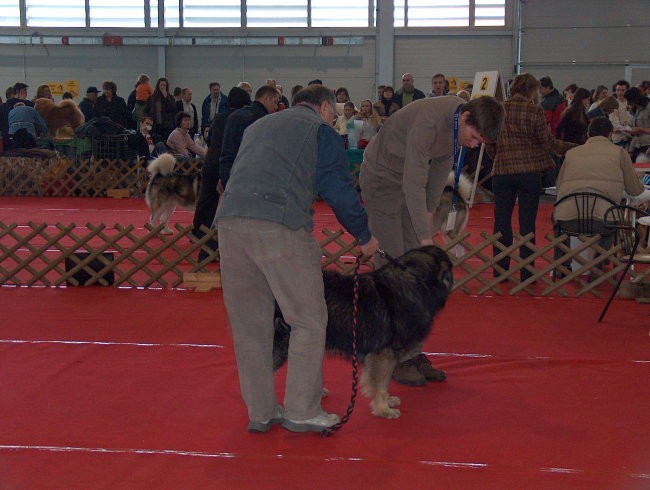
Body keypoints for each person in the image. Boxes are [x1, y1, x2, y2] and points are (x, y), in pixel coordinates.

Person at [215, 84, 379, 433]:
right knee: (308, 320)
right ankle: (302, 410)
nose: (335, 121)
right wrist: (364, 235)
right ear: (322, 108)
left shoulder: (259, 125)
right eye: (334, 115)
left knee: (250, 328)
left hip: (229, 223)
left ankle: (261, 412)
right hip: (280, 225)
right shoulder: (319, 131)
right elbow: (336, 188)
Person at [360, 94, 505, 386]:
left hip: (408, 185)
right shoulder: (429, 121)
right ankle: (391, 357)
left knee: (415, 277)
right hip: (383, 182)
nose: (475, 144)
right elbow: (413, 180)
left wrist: (428, 212)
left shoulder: (457, 128)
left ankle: (411, 352)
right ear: (464, 118)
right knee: (395, 272)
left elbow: (439, 169)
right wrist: (426, 237)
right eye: (475, 137)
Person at [490, 73, 576, 282]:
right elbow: (548, 142)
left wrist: (499, 155)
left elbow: (490, 140)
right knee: (527, 224)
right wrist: (574, 148)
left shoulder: (498, 109)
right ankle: (526, 272)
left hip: (502, 172)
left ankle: (500, 271)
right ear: (530, 90)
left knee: (501, 222)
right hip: (529, 173)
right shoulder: (534, 110)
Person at [555, 116, 644, 253]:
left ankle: (563, 267)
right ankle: (599, 264)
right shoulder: (619, 153)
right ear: (610, 134)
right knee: (611, 225)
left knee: (561, 226)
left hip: (568, 217)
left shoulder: (571, 154)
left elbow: (559, 186)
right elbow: (635, 190)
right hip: (603, 219)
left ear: (588, 134)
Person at [192, 86, 251, 260]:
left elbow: (209, 140)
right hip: (230, 164)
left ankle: (198, 232)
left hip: (211, 162)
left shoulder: (218, 118)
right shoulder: (242, 119)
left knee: (206, 199)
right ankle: (227, 236)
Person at [219, 85, 280, 189]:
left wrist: (224, 177)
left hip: (229, 172)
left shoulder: (234, 115)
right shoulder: (264, 120)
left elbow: (227, 150)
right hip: (252, 178)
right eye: (275, 102)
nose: (276, 107)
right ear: (267, 99)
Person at [145, 77, 177, 142]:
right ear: (158, 86)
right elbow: (146, 110)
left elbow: (173, 109)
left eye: (164, 85)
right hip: (155, 125)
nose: (163, 87)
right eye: (161, 85)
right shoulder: (152, 97)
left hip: (167, 125)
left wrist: (166, 98)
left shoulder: (170, 97)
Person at [624, 87, 650, 162]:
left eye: (629, 100)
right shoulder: (636, 110)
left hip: (647, 145)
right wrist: (630, 150)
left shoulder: (648, 108)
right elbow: (635, 134)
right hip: (638, 145)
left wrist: (640, 129)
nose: (628, 103)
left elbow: (639, 129)